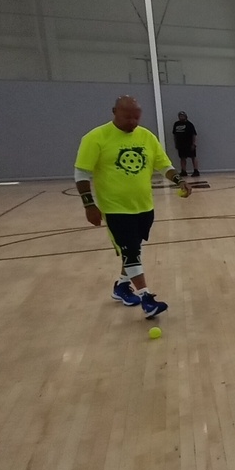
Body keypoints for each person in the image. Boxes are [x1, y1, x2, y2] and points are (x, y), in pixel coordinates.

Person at [74, 96, 190, 319]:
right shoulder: (95, 138)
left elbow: (163, 165)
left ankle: (121, 286)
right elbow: (82, 172)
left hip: (144, 206)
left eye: (136, 117)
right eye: (127, 117)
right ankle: (147, 298)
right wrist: (89, 204)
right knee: (130, 250)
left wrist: (179, 180)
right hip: (115, 208)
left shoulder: (146, 136)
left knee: (133, 250)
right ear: (114, 111)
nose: (132, 121)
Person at [172, 111, 199, 177]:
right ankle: (183, 171)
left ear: (185, 116)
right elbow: (175, 135)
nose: (181, 117)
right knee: (182, 158)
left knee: (193, 157)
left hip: (189, 144)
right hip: (181, 144)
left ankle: (196, 170)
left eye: (182, 116)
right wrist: (176, 143)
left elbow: (194, 135)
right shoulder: (176, 124)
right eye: (180, 116)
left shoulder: (189, 124)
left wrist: (193, 144)